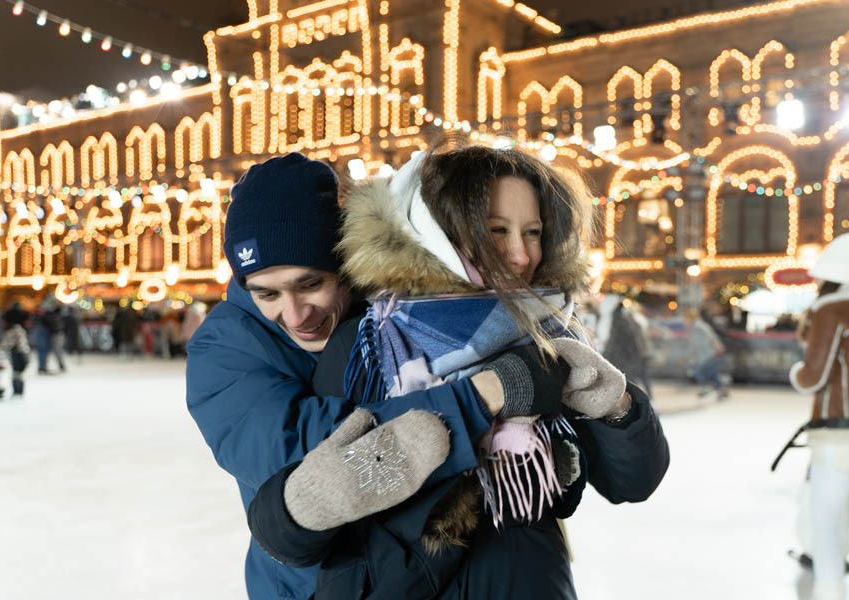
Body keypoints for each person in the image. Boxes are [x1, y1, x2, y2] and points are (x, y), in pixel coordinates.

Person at [248, 146, 669, 598]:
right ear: (441, 233)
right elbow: (306, 513)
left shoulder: (549, 330)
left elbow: (632, 481)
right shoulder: (370, 342)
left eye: (533, 231)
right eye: (496, 231)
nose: (522, 255)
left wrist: (617, 409)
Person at [185, 153, 571, 600]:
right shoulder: (223, 349)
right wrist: (484, 395)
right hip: (308, 586)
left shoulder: (392, 315)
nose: (294, 315)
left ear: (346, 268)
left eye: (311, 284)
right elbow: (306, 454)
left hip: (416, 569)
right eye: (266, 293)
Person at [789, 233, 849, 600]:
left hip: (837, 439)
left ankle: (830, 593)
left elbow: (813, 376)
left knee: (826, 528)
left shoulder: (830, 311)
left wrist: (796, 371)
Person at [595, 291, 654, 398]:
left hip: (623, 359)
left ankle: (642, 400)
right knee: (634, 380)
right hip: (626, 358)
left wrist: (606, 356)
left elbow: (615, 341)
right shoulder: (620, 318)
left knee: (632, 381)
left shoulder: (618, 320)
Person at [685, 308, 729, 400]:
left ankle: (707, 387)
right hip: (704, 355)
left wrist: (718, 347)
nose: (685, 321)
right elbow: (694, 343)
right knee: (711, 374)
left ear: (691, 318)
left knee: (698, 370)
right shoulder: (694, 327)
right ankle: (722, 391)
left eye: (687, 318)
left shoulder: (699, 326)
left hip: (709, 354)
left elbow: (711, 337)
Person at [33, 297, 66, 374]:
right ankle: (43, 367)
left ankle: (43, 366)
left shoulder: (52, 312)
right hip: (47, 332)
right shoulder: (47, 312)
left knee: (48, 350)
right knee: (44, 349)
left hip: (52, 332)